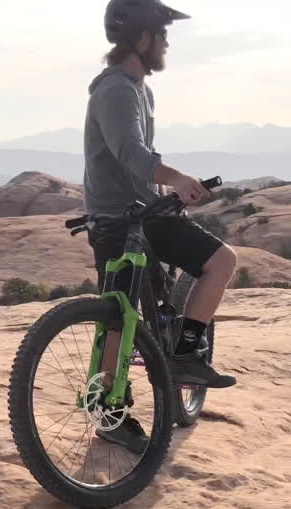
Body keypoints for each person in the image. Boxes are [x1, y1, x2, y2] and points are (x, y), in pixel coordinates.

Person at [83, 0, 238, 452]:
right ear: (143, 38)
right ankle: (108, 411)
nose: (168, 42)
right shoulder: (115, 89)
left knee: (219, 261)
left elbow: (132, 164)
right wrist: (177, 178)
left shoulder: (138, 88)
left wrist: (163, 198)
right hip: (117, 219)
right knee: (118, 315)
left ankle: (185, 353)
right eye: (163, 34)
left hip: (141, 211)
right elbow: (130, 153)